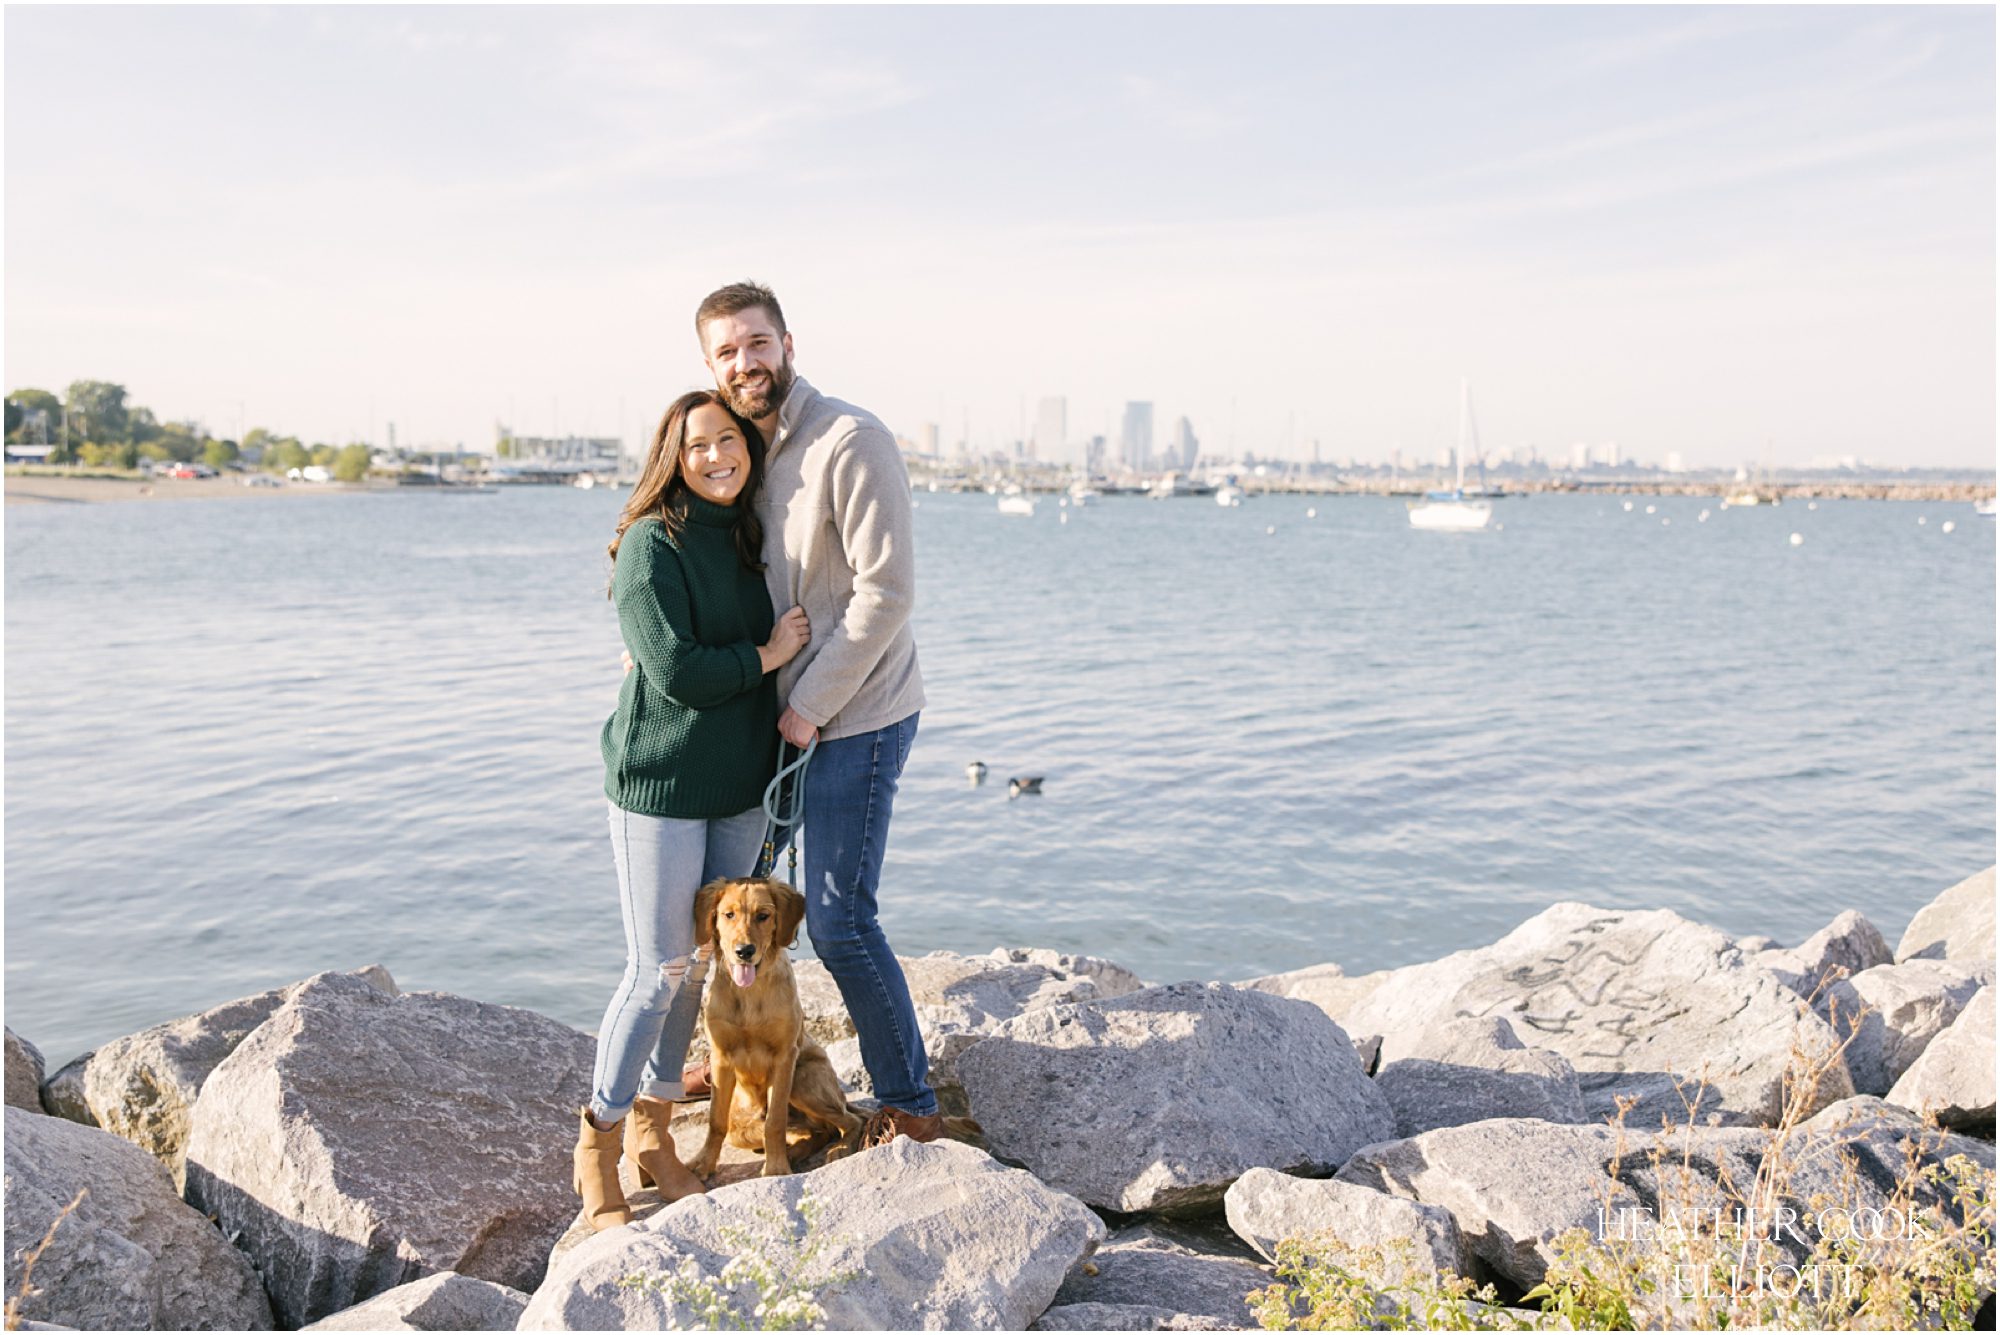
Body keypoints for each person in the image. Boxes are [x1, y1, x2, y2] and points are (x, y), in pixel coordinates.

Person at [685, 279, 943, 1145]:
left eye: (757, 343)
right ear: (711, 365)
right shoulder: (735, 451)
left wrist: (809, 704)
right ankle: (729, 1053)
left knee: (837, 919)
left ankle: (910, 1103)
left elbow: (888, 593)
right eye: (726, 351)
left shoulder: (850, 440)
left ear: (788, 345)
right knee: (731, 910)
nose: (745, 362)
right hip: (774, 718)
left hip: (855, 714)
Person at [574, 388, 814, 1232]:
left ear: (749, 447)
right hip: (662, 786)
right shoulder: (652, 542)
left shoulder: (749, 539)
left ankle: (655, 1133)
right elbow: (675, 670)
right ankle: (598, 1144)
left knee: (705, 966)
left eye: (728, 440)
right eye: (696, 445)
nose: (716, 456)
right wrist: (768, 653)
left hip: (742, 788)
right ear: (672, 459)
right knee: (658, 969)